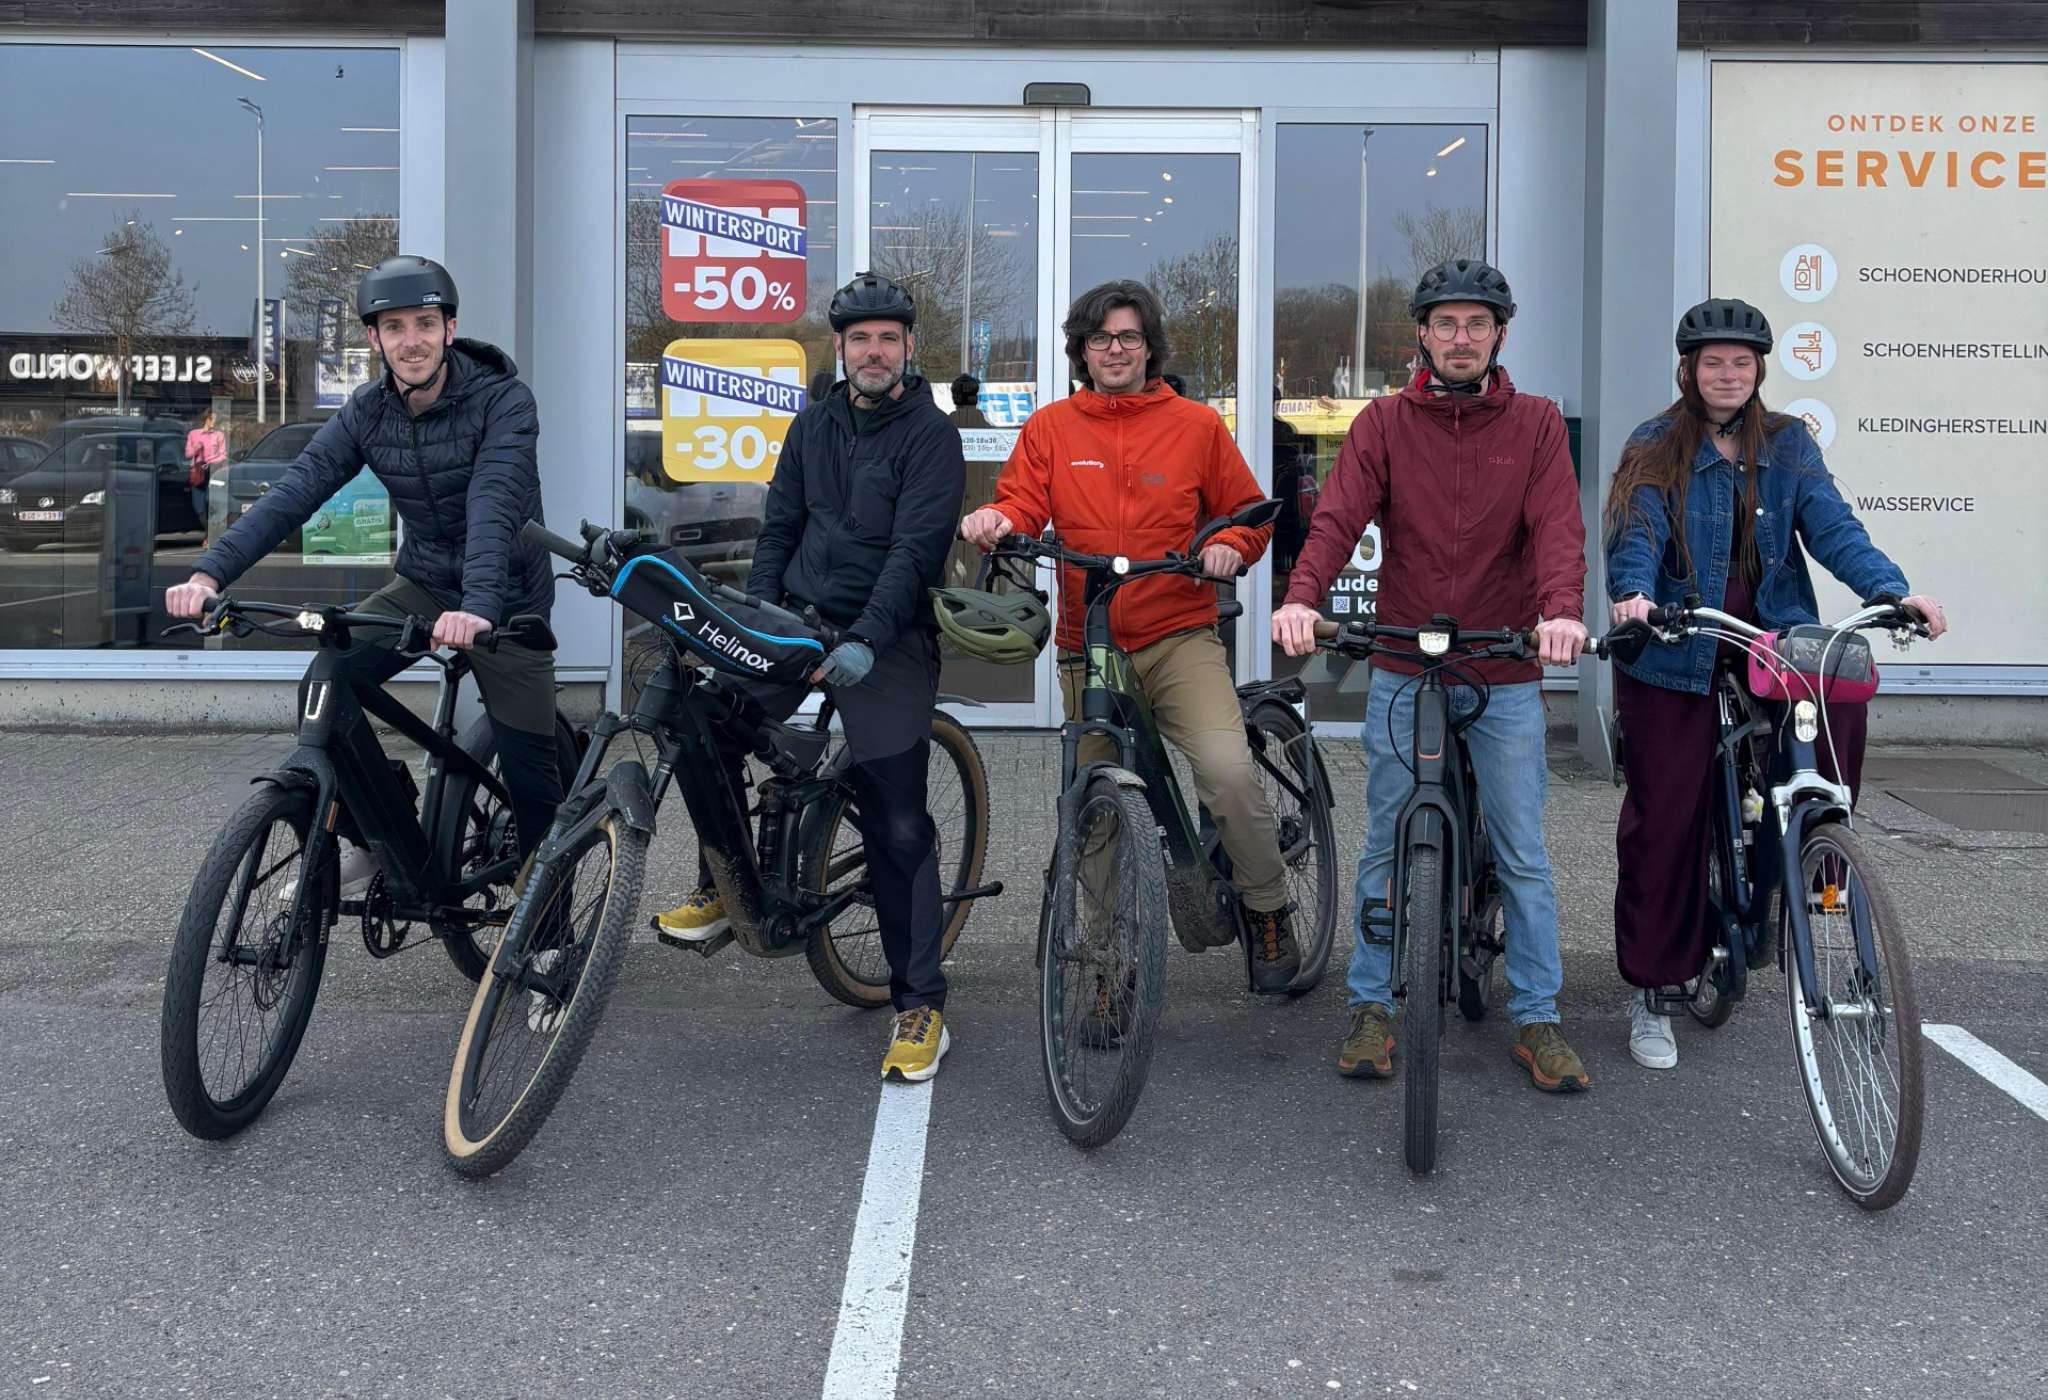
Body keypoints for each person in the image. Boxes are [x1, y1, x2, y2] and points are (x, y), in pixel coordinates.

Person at [1272, 257, 1593, 1092]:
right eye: (1446, 324)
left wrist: (1560, 610)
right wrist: (1303, 597)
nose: (1460, 338)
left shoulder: (1535, 423)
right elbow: (1338, 516)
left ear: (1499, 336)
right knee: (1385, 836)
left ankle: (1538, 1017)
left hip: (1505, 661)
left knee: (1522, 849)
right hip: (1405, 654)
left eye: (1476, 325)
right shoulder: (1383, 423)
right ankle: (1372, 1006)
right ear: (1421, 333)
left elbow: (1558, 524)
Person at [1603, 297, 1947, 1070]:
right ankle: (1655, 987)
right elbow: (1638, 531)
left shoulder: (1788, 445)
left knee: (1836, 699)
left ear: (1758, 371)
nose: (1727, 375)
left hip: (1773, 631)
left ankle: (1812, 853)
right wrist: (1635, 596)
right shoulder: (1656, 443)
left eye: (1741, 363)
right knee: (1666, 812)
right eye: (1712, 362)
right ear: (1686, 371)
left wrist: (1891, 592)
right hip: (1677, 637)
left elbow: (1832, 527)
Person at [650, 272, 967, 1083]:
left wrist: (865, 638)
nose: (872, 351)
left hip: (886, 641)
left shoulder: (931, 435)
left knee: (898, 826)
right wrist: (753, 618)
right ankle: (723, 879)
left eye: (887, 338)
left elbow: (914, 553)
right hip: (799, 621)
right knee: (707, 716)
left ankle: (919, 1004)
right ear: (841, 347)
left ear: (906, 348)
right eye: (859, 338)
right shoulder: (812, 425)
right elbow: (779, 526)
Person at [165, 256, 563, 892]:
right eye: (395, 326)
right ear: (374, 339)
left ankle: (548, 926)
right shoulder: (368, 411)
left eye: (425, 323)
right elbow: (297, 491)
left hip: (506, 599)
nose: (412, 340)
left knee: (532, 773)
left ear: (450, 329)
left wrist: (482, 607)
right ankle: (372, 836)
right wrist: (209, 573)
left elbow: (495, 505)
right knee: (327, 679)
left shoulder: (504, 402)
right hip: (425, 584)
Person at [961, 278, 1304, 994]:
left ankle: (1268, 908)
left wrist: (1231, 547)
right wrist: (1000, 521)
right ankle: (1106, 961)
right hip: (1089, 647)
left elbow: (1250, 512)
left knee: (1229, 775)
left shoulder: (1196, 427)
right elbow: (1023, 499)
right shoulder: (1052, 427)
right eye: (1100, 339)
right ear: (1081, 351)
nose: (1114, 350)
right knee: (1094, 813)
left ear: (1149, 348)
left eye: (1128, 337)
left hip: (1176, 634)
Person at [183, 410, 227, 541]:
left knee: (211, 501)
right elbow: (187, 454)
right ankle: (209, 532)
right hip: (198, 473)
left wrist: (210, 462)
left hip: (213, 472)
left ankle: (209, 536)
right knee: (198, 506)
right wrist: (196, 448)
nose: (215, 422)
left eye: (217, 420)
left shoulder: (219, 435)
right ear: (206, 419)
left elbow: (223, 454)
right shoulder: (193, 434)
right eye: (213, 419)